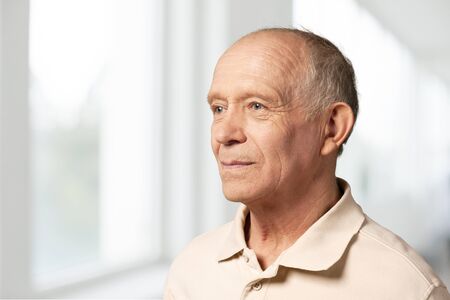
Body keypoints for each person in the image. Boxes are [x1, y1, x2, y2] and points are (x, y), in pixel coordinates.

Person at [163, 28, 450, 299]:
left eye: (257, 106)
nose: (223, 134)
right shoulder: (191, 267)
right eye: (219, 109)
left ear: (332, 127)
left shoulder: (406, 288)